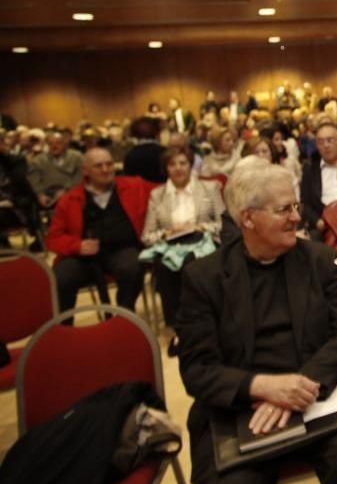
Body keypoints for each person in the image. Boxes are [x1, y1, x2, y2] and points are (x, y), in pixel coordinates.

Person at [176, 163, 337, 484]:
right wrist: (263, 387)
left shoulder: (318, 259)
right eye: (283, 209)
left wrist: (302, 384)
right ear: (247, 218)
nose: (296, 218)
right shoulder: (205, 278)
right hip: (241, 406)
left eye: (296, 206)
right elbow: (197, 369)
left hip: (317, 393)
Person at [47, 147, 155, 315]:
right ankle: (64, 328)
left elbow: (170, 185)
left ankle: (125, 316)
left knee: (133, 267)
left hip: (123, 250)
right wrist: (77, 245)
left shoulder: (135, 186)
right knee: (60, 277)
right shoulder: (69, 200)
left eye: (109, 164)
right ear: (85, 171)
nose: (106, 170)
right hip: (81, 256)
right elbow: (53, 238)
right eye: (98, 166)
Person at [140, 146, 225, 356]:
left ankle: (204, 327)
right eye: (172, 164)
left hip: (202, 242)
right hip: (170, 246)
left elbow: (223, 225)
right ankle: (179, 330)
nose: (177, 168)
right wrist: (169, 231)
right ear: (166, 168)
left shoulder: (210, 188)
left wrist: (199, 227)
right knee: (165, 266)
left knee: (192, 265)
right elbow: (147, 235)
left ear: (190, 165)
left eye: (182, 163)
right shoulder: (157, 195)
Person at [301, 122, 337, 240]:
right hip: (323, 225)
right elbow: (305, 204)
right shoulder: (310, 171)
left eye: (330, 140)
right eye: (320, 142)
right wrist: (317, 221)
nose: (326, 145)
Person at [27, 130, 84, 210]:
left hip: (72, 194)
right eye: (50, 144)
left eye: (58, 143)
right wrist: (40, 195)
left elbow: (80, 175)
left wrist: (67, 190)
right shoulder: (38, 160)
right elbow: (34, 179)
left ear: (64, 144)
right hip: (48, 197)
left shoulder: (76, 157)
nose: (54, 146)